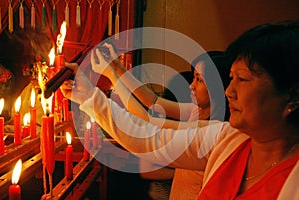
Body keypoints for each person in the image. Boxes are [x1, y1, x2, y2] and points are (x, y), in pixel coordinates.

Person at [61, 20, 299, 199]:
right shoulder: (227, 137)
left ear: (293, 96)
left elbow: (147, 117)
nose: (229, 91)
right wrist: (88, 94)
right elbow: (149, 136)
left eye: (243, 80)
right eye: (231, 78)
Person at [91, 46, 231, 199]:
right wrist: (118, 69)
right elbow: (153, 101)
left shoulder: (215, 128)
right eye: (193, 78)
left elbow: (146, 120)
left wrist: (112, 76)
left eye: (199, 79)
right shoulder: (195, 110)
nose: (191, 86)